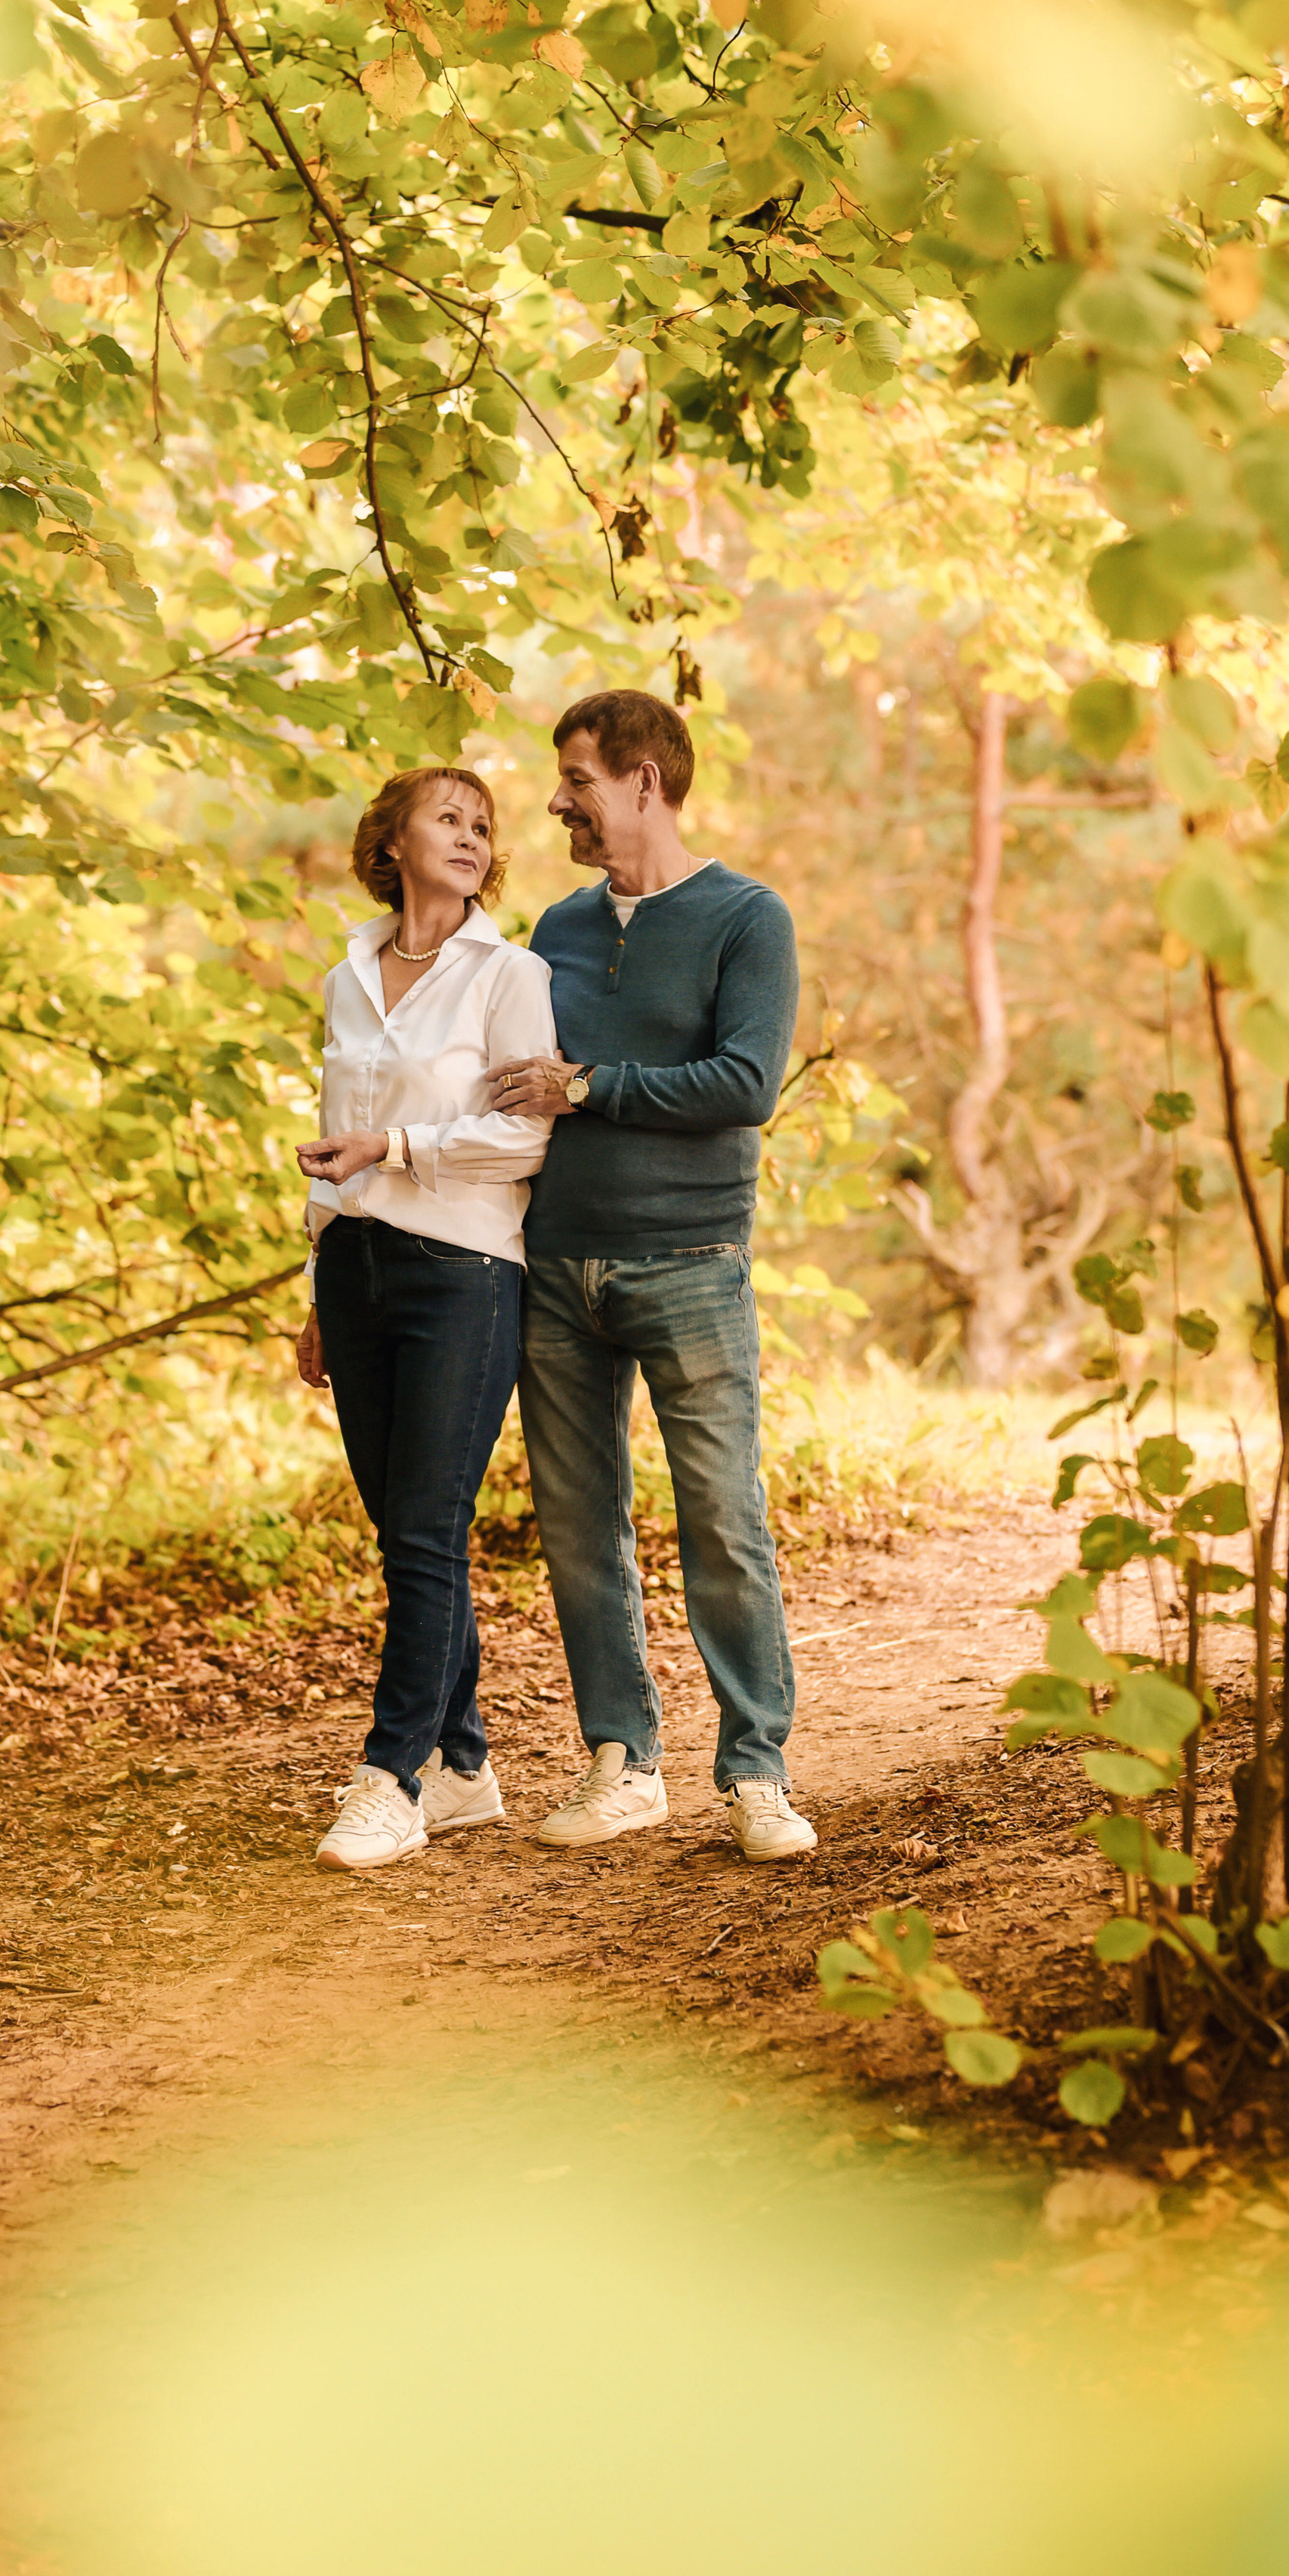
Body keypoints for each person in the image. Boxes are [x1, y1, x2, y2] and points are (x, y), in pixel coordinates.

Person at [490, 689, 815, 1865]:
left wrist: (591, 1085)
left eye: (575, 778)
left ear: (643, 779)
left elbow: (745, 1085)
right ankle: (621, 1760)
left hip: (690, 1260)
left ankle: (758, 1770)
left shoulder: (746, 917)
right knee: (582, 1529)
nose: (556, 801)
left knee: (722, 1515)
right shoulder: (554, 930)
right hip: (553, 1262)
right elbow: (502, 1082)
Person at [294, 765, 558, 1873]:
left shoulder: (510, 973)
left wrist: (399, 1149)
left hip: (464, 1270)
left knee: (422, 1529)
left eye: (482, 825)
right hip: (354, 1266)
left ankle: (390, 1777)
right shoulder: (349, 974)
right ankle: (461, 1764)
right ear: (391, 838)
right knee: (407, 1534)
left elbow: (525, 1138)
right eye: (447, 817)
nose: (471, 835)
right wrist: (313, 1281)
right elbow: (329, 1130)